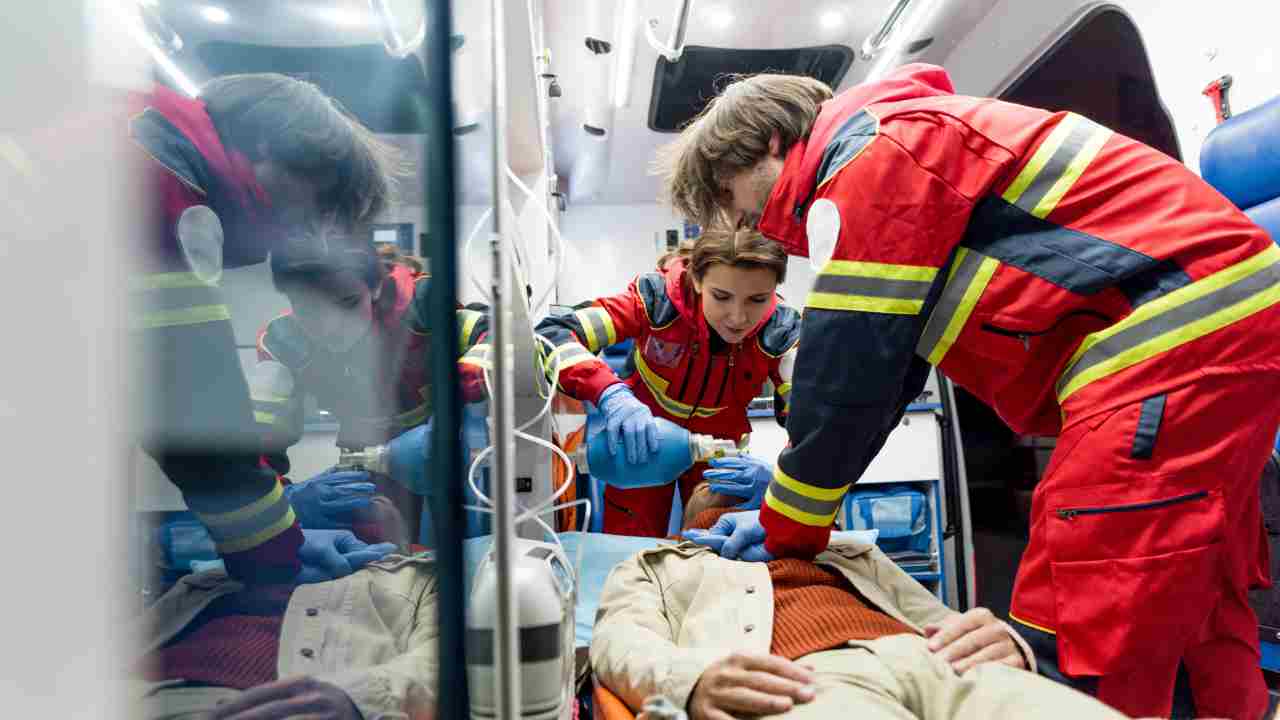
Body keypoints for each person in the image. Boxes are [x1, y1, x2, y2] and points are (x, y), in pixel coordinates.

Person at [656, 62, 1280, 719]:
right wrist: (792, 516)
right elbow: (889, 371)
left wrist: (786, 525)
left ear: (768, 145)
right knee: (1191, 581)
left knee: (1081, 594)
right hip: (1214, 319)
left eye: (732, 193)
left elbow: (849, 371)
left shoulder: (869, 157)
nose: (742, 217)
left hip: (1173, 331)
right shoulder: (905, 139)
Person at [109, 73, 401, 584]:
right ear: (272, 148)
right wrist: (276, 541)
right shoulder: (162, 178)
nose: (302, 228)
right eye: (317, 201)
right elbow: (190, 395)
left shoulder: (139, 133)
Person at [592, 494, 1129, 720]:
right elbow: (617, 641)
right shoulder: (660, 565)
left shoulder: (846, 550)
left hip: (939, 660)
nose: (730, 509)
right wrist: (694, 679)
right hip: (800, 679)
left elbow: (936, 615)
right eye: (714, 501)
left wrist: (1008, 641)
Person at [536, 228, 801, 536]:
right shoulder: (655, 302)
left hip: (719, 458)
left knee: (713, 551)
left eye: (758, 299)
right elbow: (553, 334)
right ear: (698, 281)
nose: (738, 317)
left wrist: (783, 476)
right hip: (643, 447)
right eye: (721, 297)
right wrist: (611, 394)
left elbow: (814, 416)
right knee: (630, 553)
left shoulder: (781, 332)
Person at [253, 225, 489, 544]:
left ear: (376, 287)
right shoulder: (282, 342)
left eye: (348, 302)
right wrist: (284, 497)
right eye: (308, 308)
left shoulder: (422, 303)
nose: (330, 325)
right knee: (376, 552)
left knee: (454, 548)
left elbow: (491, 334)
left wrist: (468, 380)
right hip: (362, 456)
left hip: (442, 450)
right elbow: (261, 440)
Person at [133, 506, 430, 720]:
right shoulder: (218, 577)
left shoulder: (419, 580)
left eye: (374, 498)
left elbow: (439, 662)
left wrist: (359, 700)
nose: (357, 502)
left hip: (288, 707)